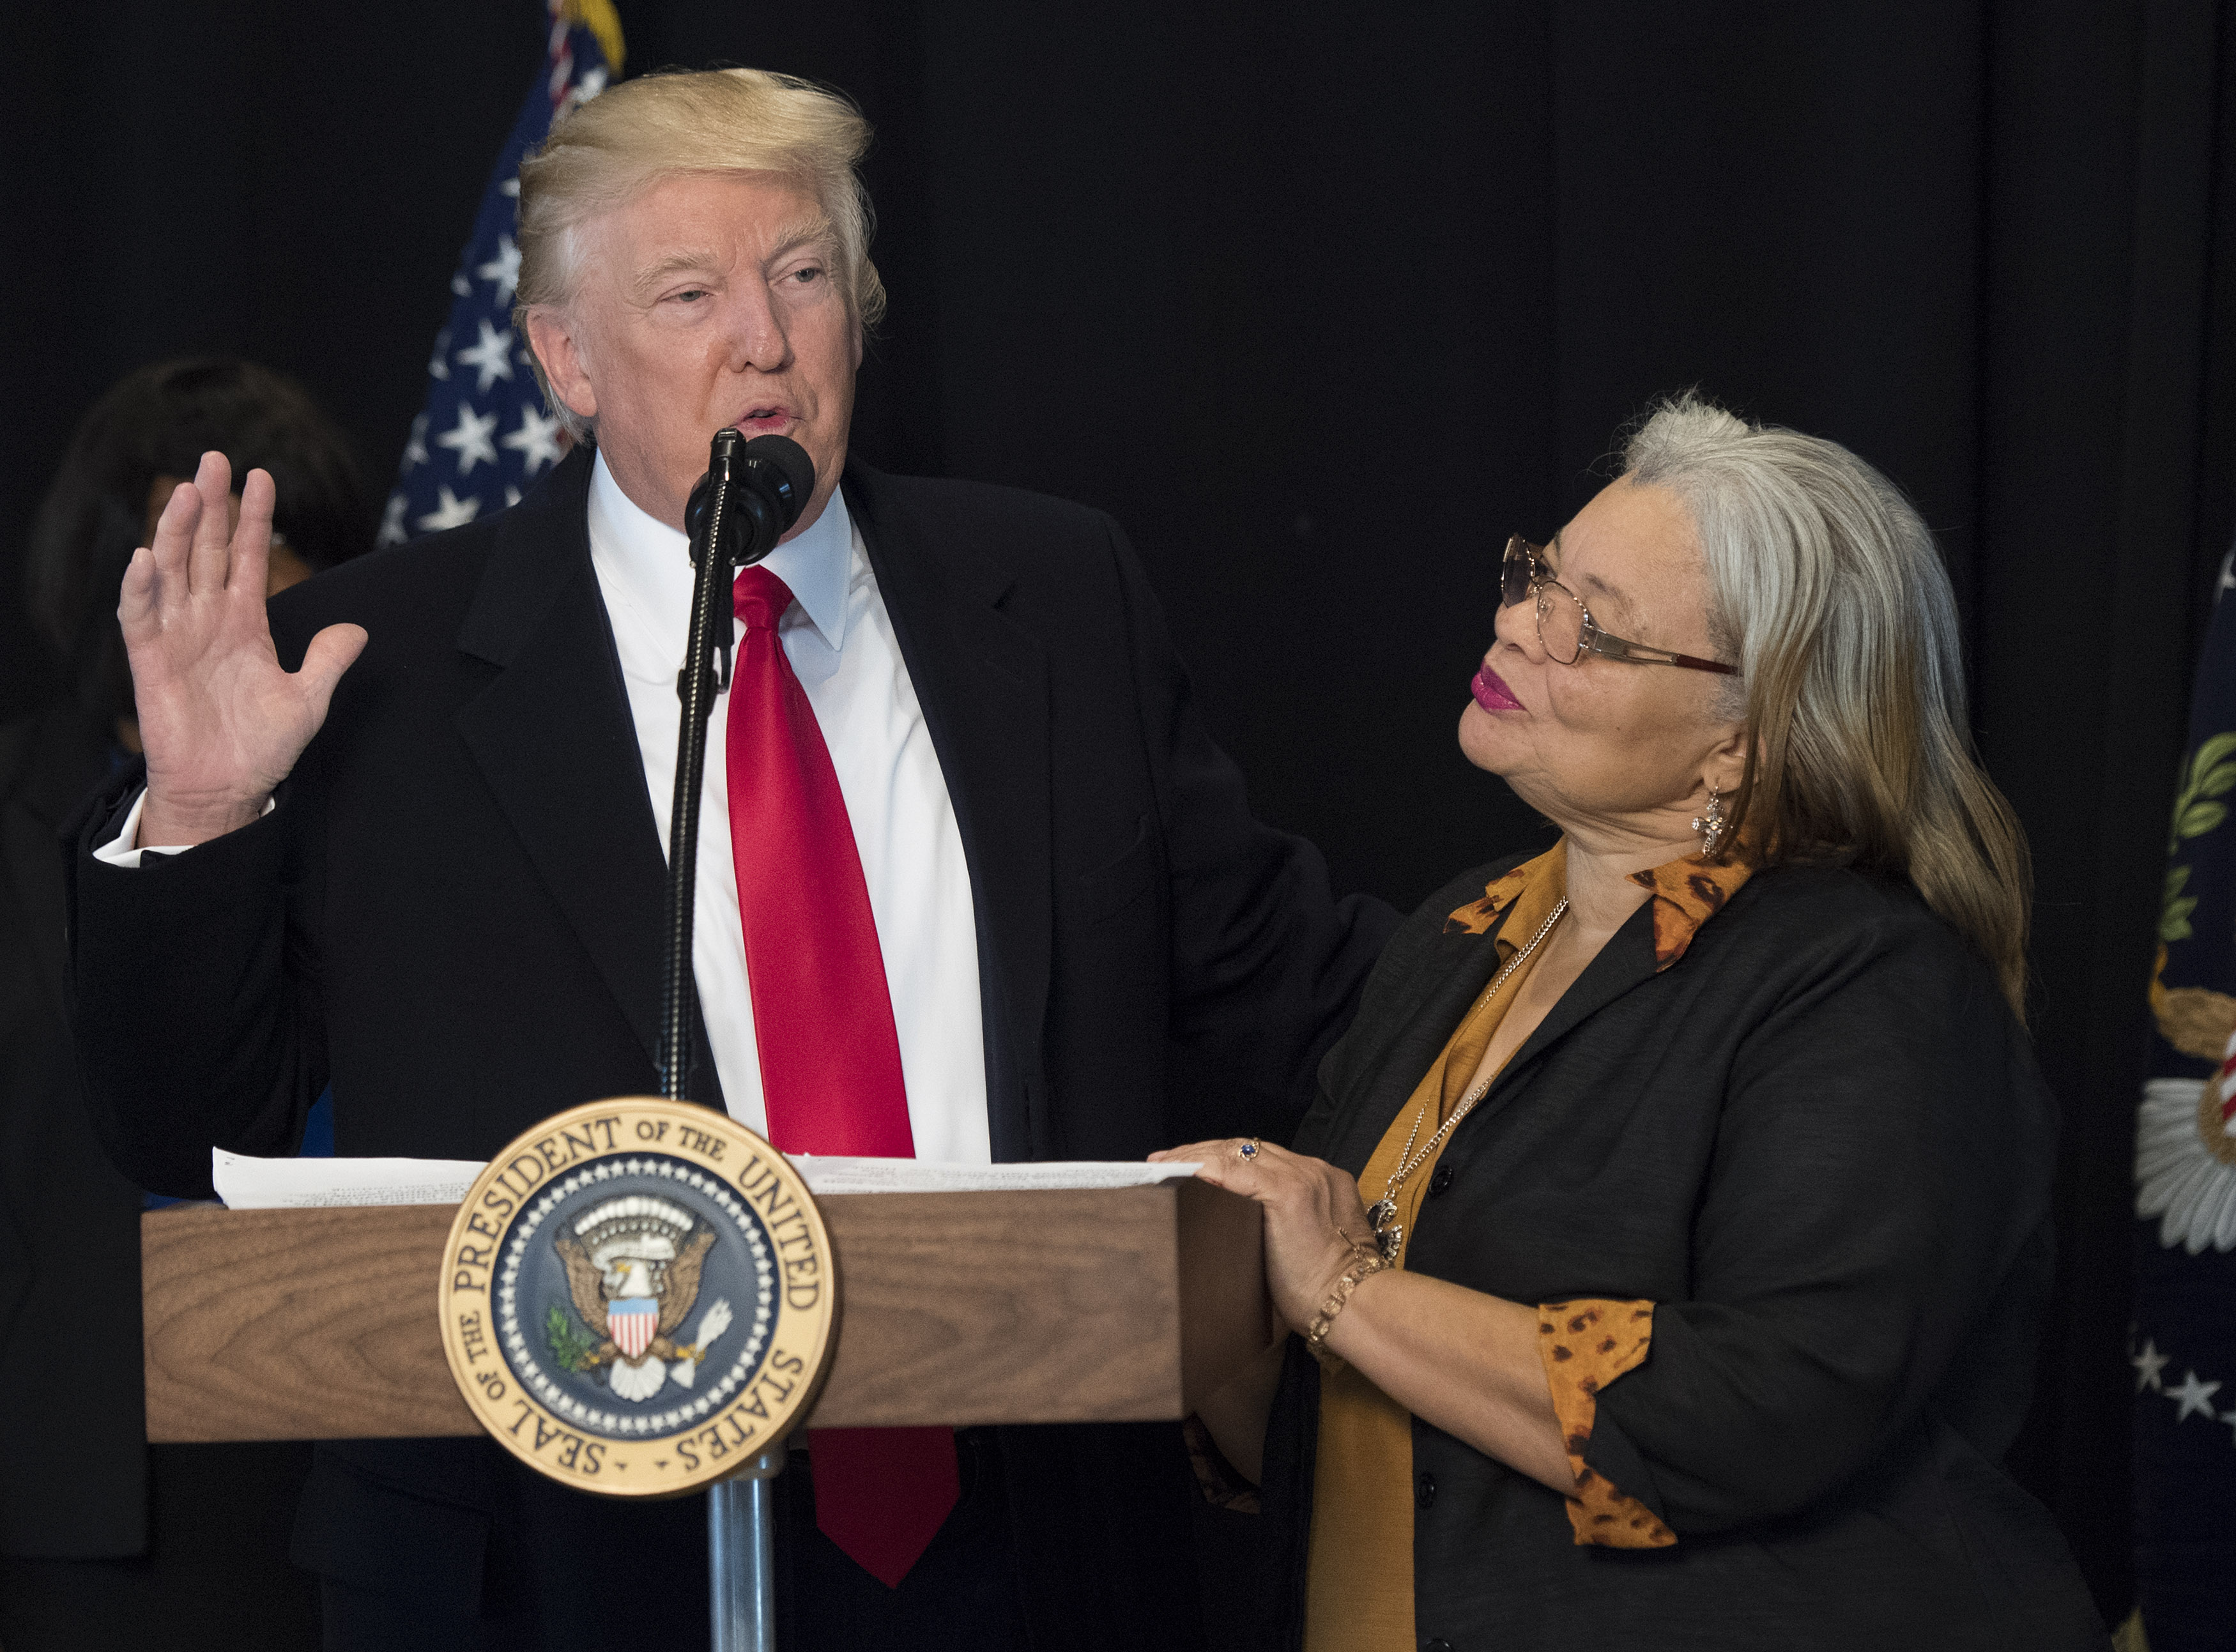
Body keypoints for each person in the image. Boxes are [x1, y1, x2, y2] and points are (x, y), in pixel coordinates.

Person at [62, 69, 1394, 1651]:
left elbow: (1284, 977)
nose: (763, 339)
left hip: (1033, 1533)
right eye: (690, 292)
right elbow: (189, 1124)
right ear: (565, 358)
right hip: (541, 1567)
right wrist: (203, 819)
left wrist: (1622, 1024)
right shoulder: (377, 667)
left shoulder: (1046, 594)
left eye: (805, 277)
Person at [1163, 395, 2110, 1651]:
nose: (1515, 624)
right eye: (1536, 577)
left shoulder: (1871, 985)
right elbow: (1337, 1422)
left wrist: (1338, 1292)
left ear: (1746, 742)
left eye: (1591, 628)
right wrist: (1206, 1301)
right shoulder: (1463, 936)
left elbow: (1759, 1410)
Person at [3, 356, 370, 1652]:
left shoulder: (386, 817)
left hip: (351, 1480)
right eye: (186, 560)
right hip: (77, 1509)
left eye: (267, 564)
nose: (230, 611)